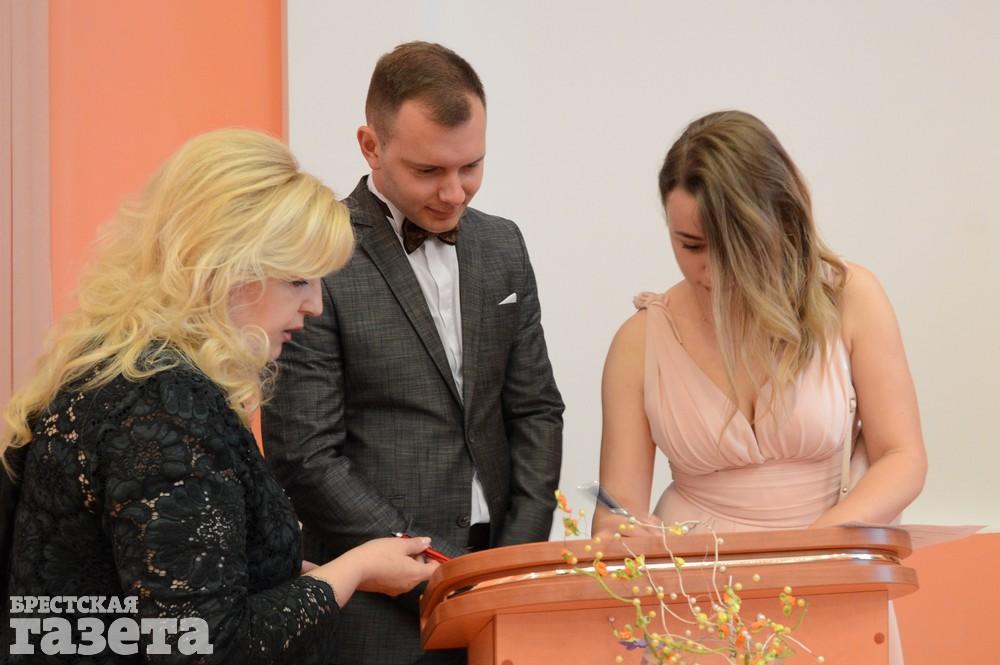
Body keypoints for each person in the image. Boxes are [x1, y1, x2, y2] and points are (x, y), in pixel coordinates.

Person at [0, 129, 439, 663]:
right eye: (298, 281)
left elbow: (190, 576)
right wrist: (355, 568)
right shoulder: (164, 407)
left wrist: (346, 572)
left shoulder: (114, 370)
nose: (316, 306)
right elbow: (206, 643)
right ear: (226, 271)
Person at [261, 41, 564, 665]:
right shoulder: (320, 254)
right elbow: (305, 454)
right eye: (429, 171)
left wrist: (512, 563)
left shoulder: (504, 245)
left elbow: (536, 410)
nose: (454, 193)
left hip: (500, 581)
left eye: (471, 166)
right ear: (370, 146)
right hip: (375, 603)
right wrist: (433, 572)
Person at [594, 111, 926, 664]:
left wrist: (812, 550)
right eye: (691, 246)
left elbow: (903, 456)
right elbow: (615, 515)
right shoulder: (639, 341)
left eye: (734, 246)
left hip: (832, 581)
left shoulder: (851, 298)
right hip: (693, 607)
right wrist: (621, 536)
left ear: (779, 221)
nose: (710, 271)